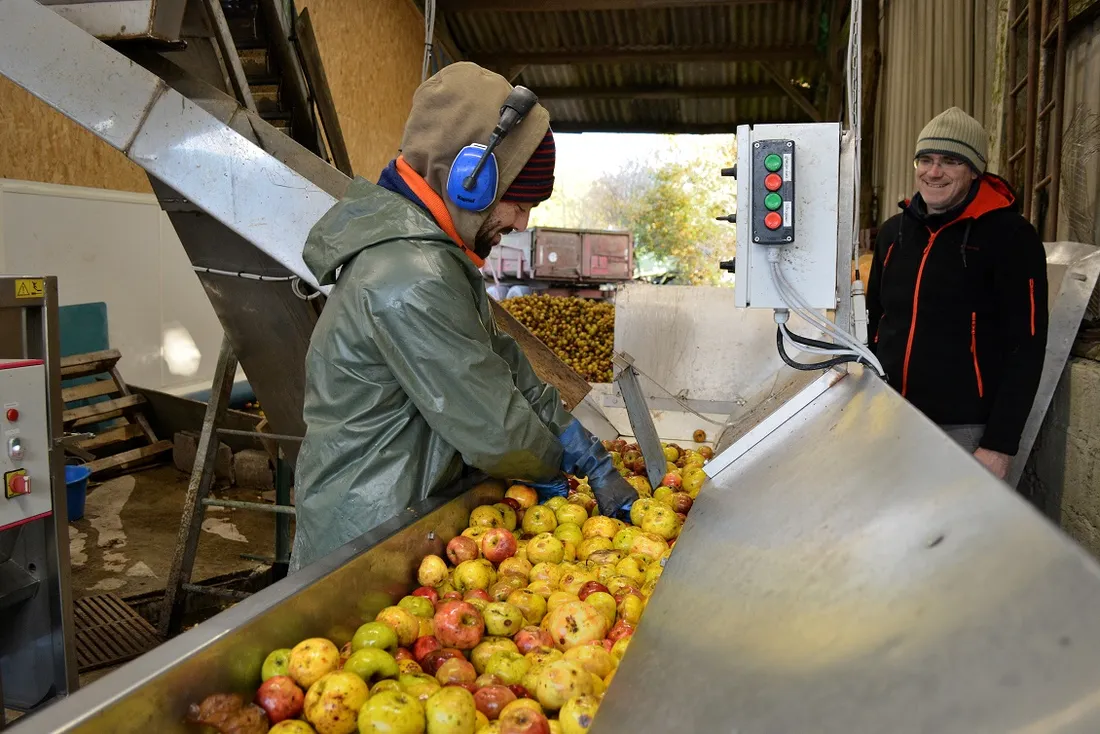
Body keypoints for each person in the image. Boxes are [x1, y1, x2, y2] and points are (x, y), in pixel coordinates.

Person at [288, 63, 637, 572]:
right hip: (363, 536)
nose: (521, 223)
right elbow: (495, 425)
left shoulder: (437, 263)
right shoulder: (411, 275)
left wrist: (583, 449)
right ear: (469, 179)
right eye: (519, 202)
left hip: (399, 518)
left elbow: (504, 365)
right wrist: (559, 474)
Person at [867, 107, 1048, 480]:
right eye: (926, 159)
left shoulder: (1011, 238)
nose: (934, 172)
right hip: (889, 418)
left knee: (959, 539)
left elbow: (1026, 348)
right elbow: (873, 321)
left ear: (975, 170)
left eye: (950, 161)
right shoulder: (893, 233)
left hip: (964, 432)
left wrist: (999, 445)